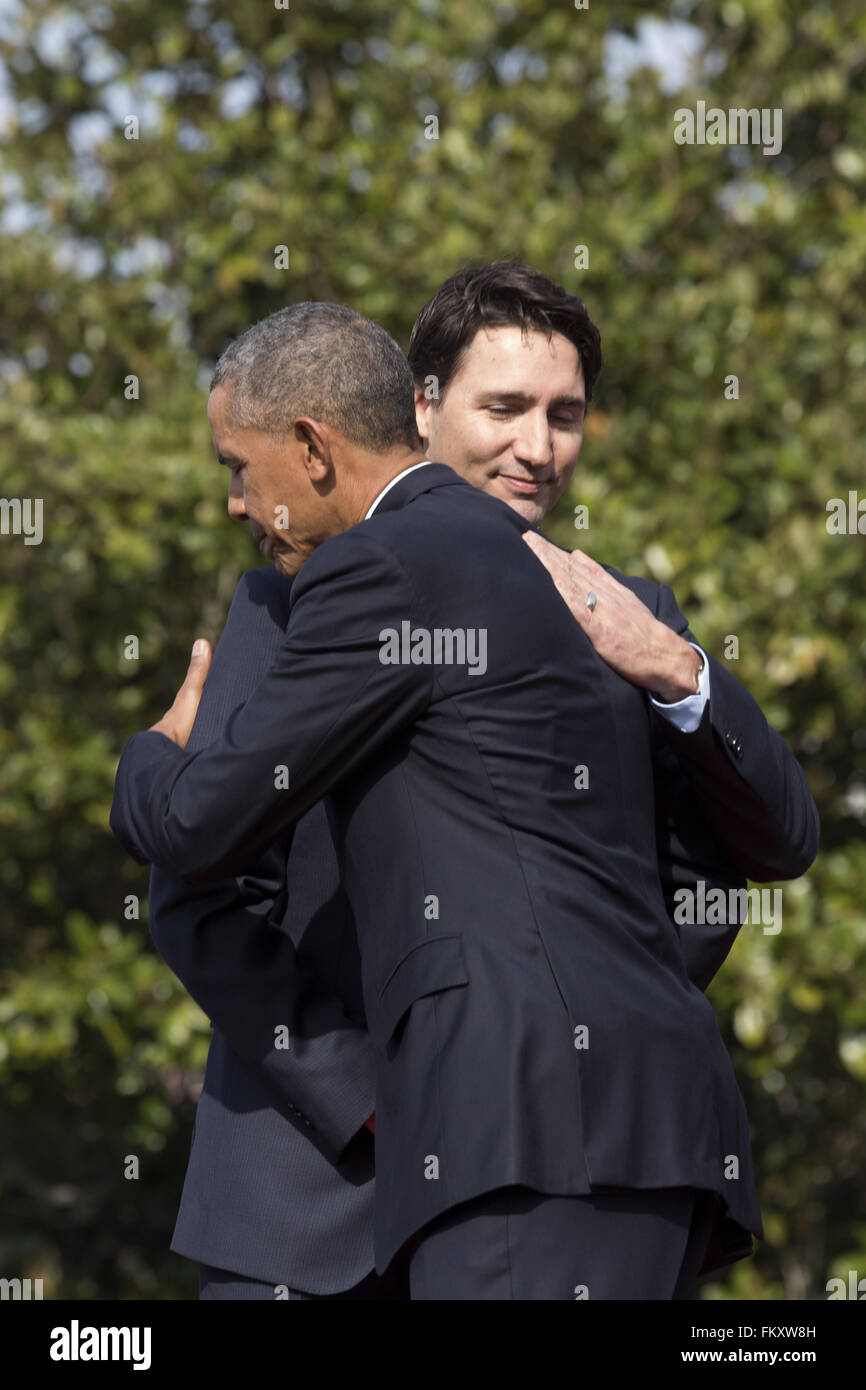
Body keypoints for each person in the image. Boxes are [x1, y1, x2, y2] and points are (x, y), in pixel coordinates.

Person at [112, 296, 819, 1299]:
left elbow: (734, 856)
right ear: (421, 411)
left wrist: (676, 666)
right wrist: (375, 1096)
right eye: (503, 407)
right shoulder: (290, 590)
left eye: (563, 413)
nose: (535, 445)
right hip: (308, 1203)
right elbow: (197, 886)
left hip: (528, 1141)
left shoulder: (617, 614)